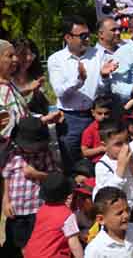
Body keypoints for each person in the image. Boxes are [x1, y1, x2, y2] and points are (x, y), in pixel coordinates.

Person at [48, 15, 118, 172]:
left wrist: (105, 76)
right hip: (70, 119)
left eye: (88, 34)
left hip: (95, 116)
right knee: (72, 164)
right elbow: (59, 91)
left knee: (99, 160)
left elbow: (103, 88)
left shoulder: (98, 55)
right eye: (82, 36)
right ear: (68, 37)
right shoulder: (56, 59)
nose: (87, 39)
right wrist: (78, 80)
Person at [2, 117, 59, 255]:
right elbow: (7, 177)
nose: (30, 148)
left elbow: (54, 178)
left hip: (36, 208)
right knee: (14, 242)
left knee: (34, 242)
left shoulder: (45, 155)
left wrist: (37, 174)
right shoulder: (13, 155)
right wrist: (6, 200)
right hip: (17, 209)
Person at [23, 172, 84, 258]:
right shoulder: (67, 215)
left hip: (31, 253)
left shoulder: (42, 209)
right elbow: (74, 244)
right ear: (67, 195)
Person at [93, 119, 133, 209]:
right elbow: (108, 195)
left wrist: (132, 164)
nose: (125, 147)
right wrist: (121, 167)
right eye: (118, 144)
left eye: (127, 141)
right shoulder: (102, 166)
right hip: (119, 211)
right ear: (104, 146)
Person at [84, 187, 133, 258]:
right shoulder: (95, 249)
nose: (126, 215)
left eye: (127, 210)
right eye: (119, 213)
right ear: (101, 219)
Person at [11, 38, 49, 115]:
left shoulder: (35, 76)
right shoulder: (5, 78)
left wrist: (37, 93)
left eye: (32, 54)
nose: (29, 58)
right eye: (24, 54)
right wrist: (27, 89)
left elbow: (43, 107)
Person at [81, 95, 114, 163]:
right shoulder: (89, 130)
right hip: (98, 163)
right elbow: (85, 152)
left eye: (106, 113)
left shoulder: (114, 126)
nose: (103, 116)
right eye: (99, 113)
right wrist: (101, 149)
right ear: (93, 113)